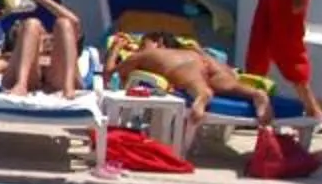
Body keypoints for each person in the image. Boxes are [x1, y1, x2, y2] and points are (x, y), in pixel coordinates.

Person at [114, 38, 272, 135]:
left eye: (143, 43)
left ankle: (202, 94)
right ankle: (254, 93)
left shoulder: (147, 54)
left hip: (186, 66)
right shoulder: (189, 50)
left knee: (192, 79)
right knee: (225, 83)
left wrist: (116, 48)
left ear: (159, 42)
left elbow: (111, 74)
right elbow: (225, 70)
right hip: (205, 60)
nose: (139, 47)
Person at [0, 0, 84, 98]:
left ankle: (68, 87)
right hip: (29, 82)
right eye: (21, 31)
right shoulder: (13, 56)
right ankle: (21, 84)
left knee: (64, 23)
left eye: (45, 37)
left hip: (59, 80)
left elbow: (74, 23)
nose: (42, 36)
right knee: (32, 23)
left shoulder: (62, 51)